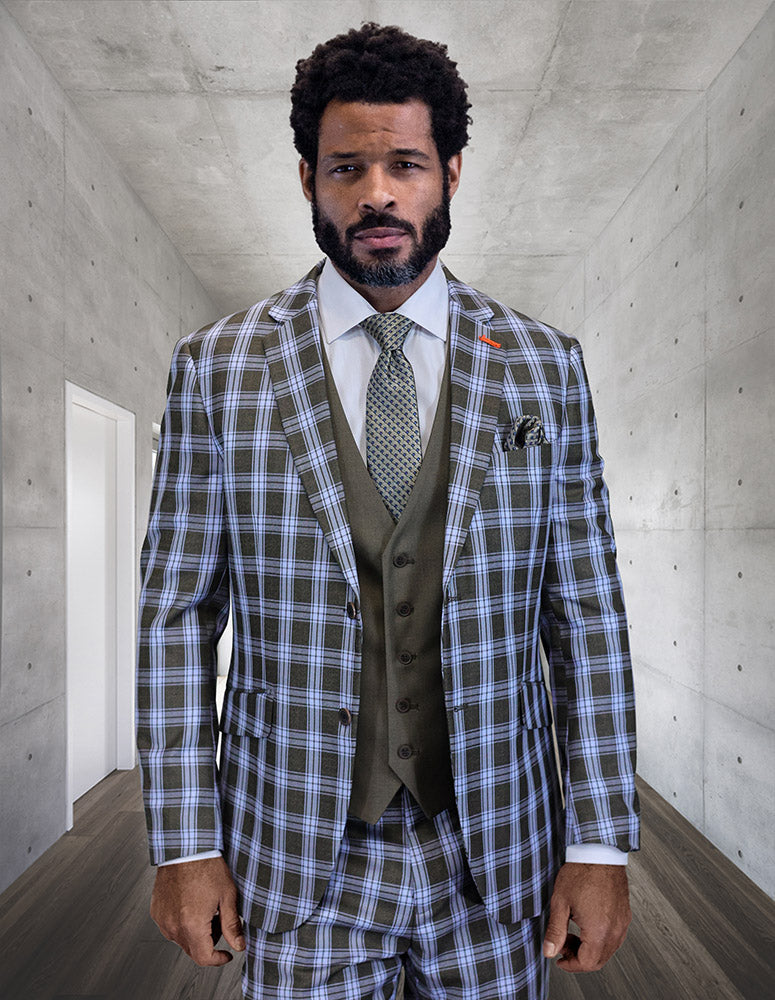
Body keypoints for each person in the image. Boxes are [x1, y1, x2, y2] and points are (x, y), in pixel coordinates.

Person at [137, 22, 639, 1000]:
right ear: (307, 179)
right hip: (293, 853)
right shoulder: (217, 367)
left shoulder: (543, 365)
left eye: (404, 164)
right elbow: (176, 617)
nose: (376, 192)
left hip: (499, 852)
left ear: (449, 172)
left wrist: (598, 842)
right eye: (346, 167)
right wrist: (186, 844)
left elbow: (585, 613)